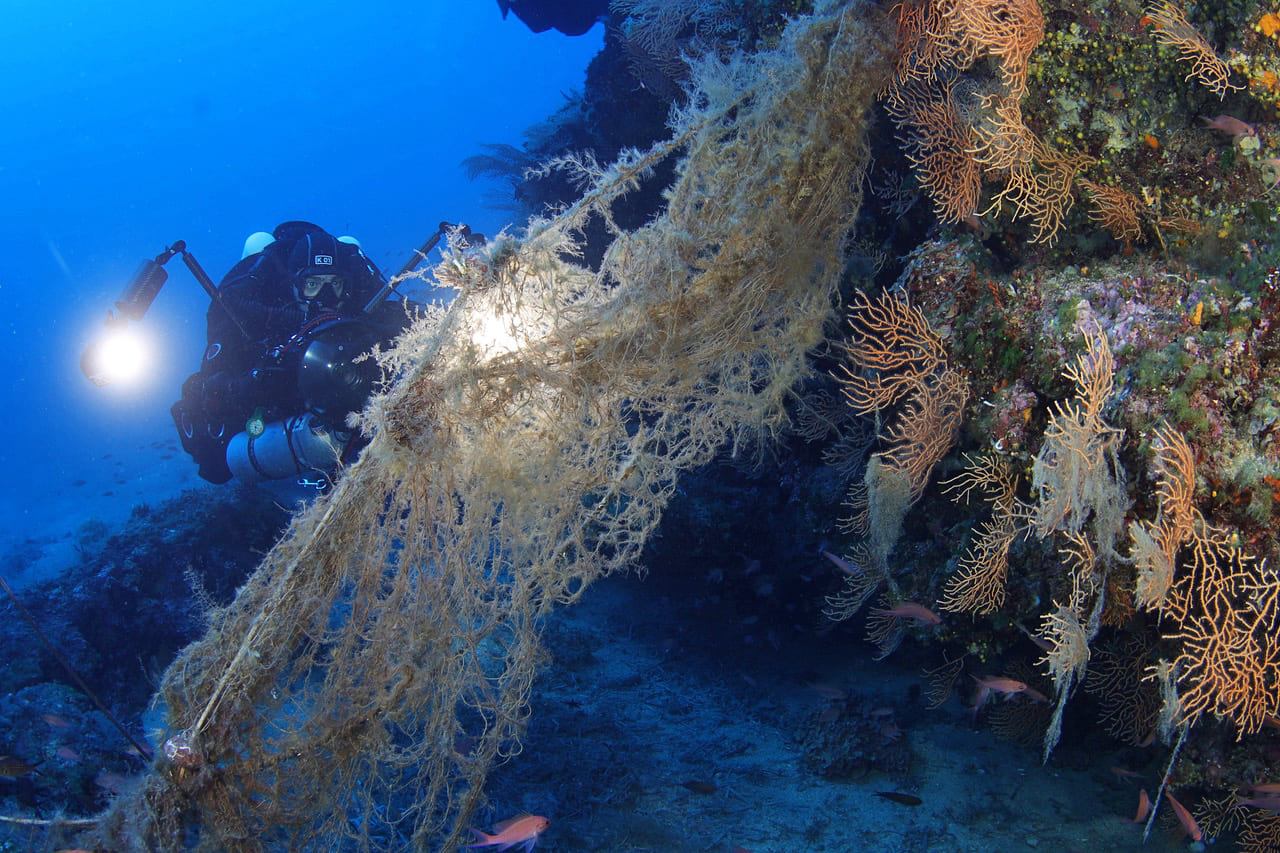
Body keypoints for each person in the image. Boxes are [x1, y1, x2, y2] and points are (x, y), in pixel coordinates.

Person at [172, 221, 409, 485]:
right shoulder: (257, 321)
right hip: (280, 413)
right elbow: (206, 392)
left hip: (348, 420)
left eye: (335, 283)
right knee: (216, 465)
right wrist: (253, 384)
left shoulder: (364, 309)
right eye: (313, 284)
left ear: (348, 285)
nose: (326, 295)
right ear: (294, 285)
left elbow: (411, 319)